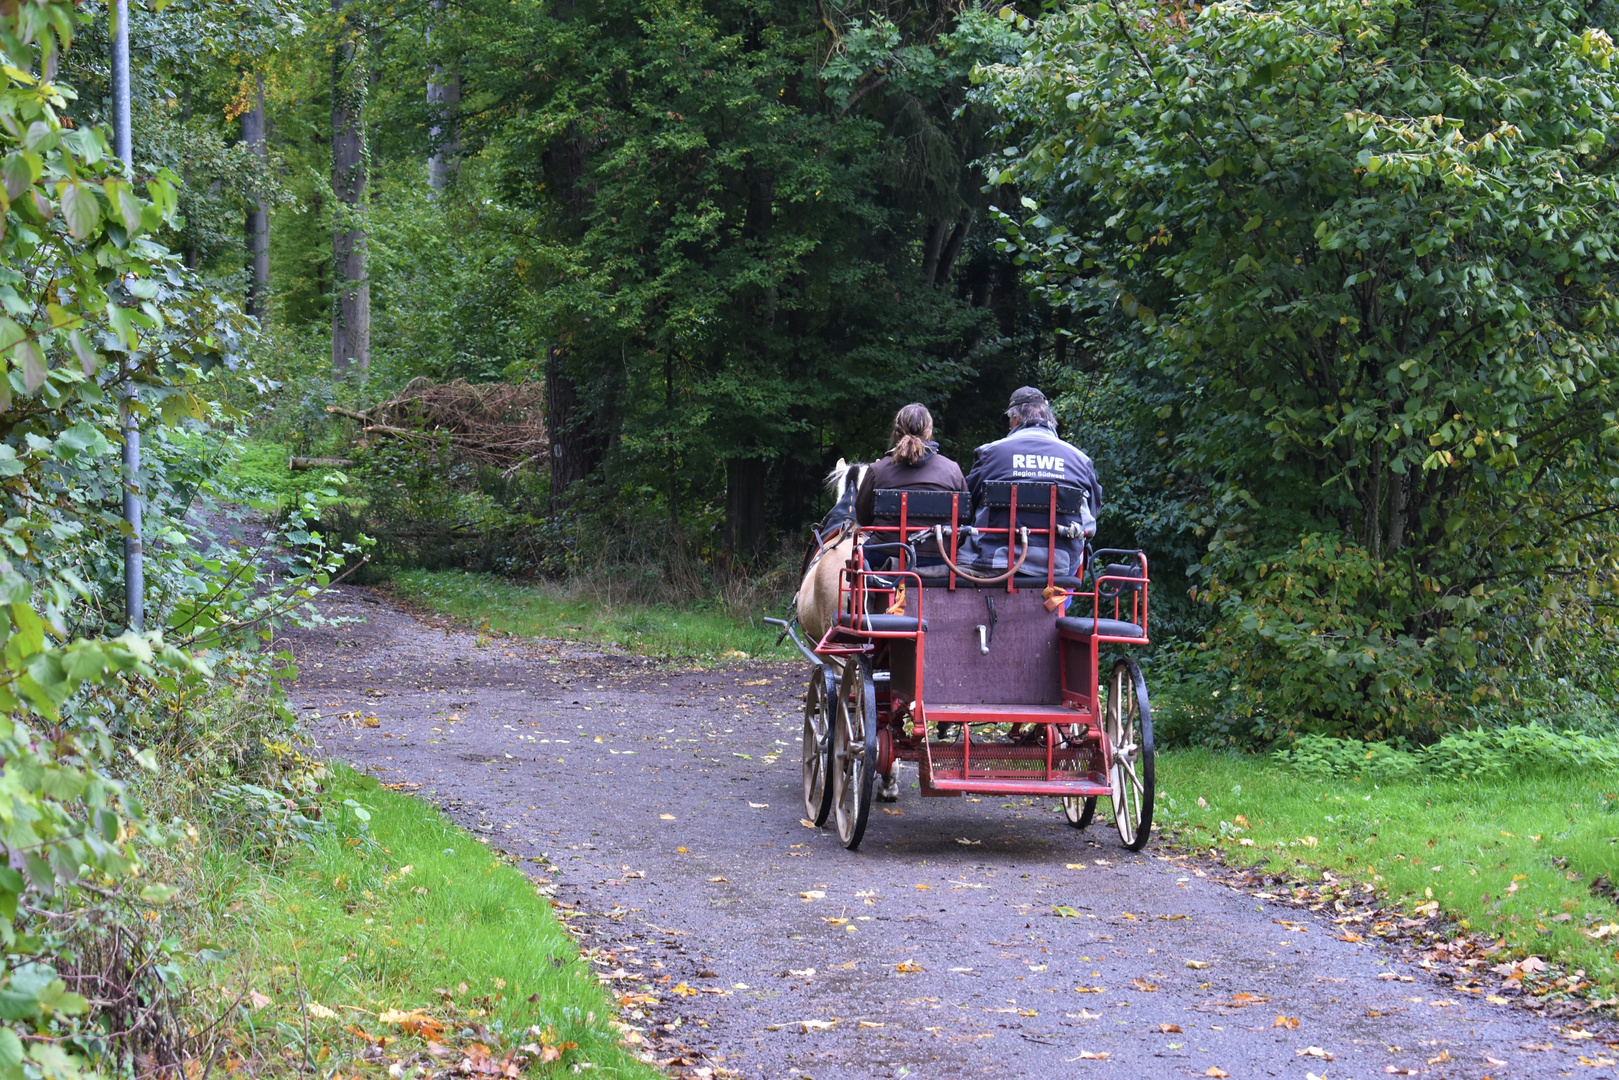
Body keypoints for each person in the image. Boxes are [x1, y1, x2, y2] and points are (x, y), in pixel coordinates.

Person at [964, 386, 1102, 576]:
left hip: (994, 561)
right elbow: (1093, 513)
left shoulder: (991, 453)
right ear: (1050, 419)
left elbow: (965, 506)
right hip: (1060, 568)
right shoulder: (1080, 460)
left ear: (1015, 419)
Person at [854, 403, 969, 571]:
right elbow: (965, 518)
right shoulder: (952, 470)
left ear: (896, 432)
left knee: (856, 559)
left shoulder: (877, 470)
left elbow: (863, 518)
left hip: (884, 554)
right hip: (940, 558)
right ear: (929, 432)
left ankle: (863, 598)